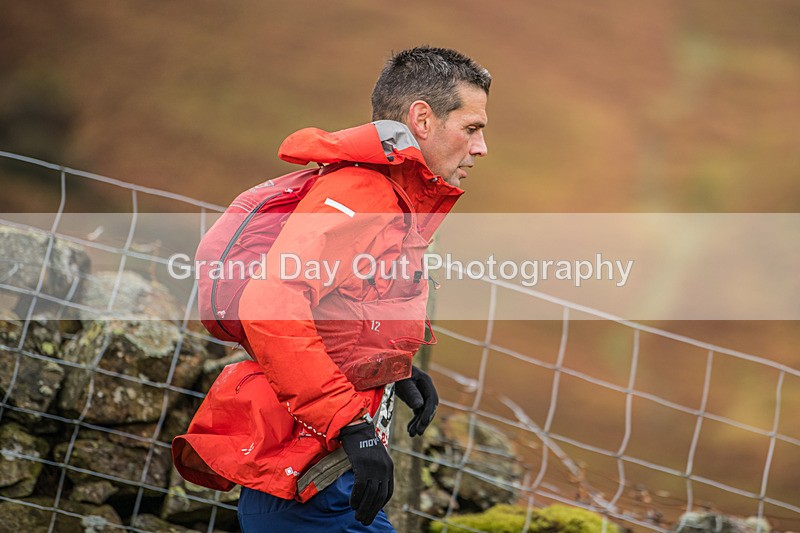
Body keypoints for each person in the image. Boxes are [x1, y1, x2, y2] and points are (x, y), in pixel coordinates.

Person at [172, 46, 490, 532]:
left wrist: (392, 371)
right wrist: (352, 426)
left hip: (322, 475)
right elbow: (271, 306)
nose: (481, 147)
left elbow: (345, 304)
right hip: (312, 477)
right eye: (471, 128)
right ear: (422, 119)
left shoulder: (390, 195)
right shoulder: (361, 194)